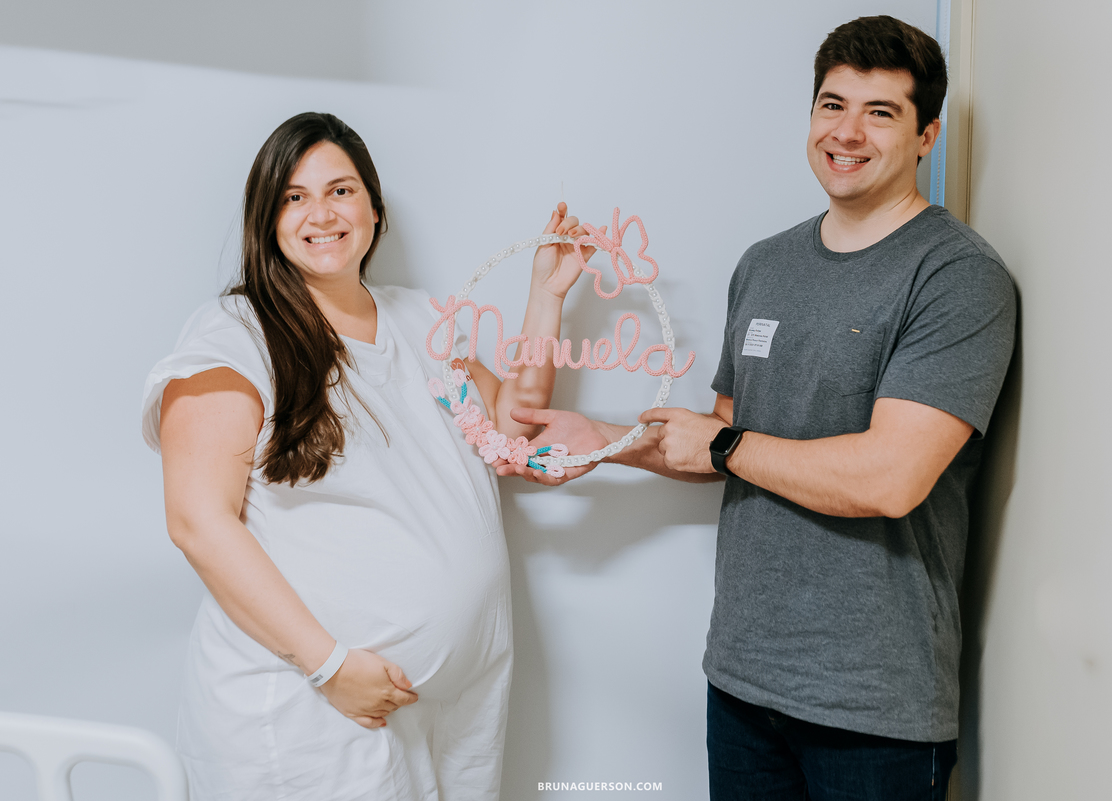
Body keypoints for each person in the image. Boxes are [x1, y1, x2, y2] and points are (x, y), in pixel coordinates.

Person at [498, 16, 1017, 801]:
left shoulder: (957, 276)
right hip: (741, 683)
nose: (847, 132)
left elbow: (889, 478)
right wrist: (604, 439)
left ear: (926, 135)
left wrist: (723, 444)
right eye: (831, 105)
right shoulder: (766, 264)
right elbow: (724, 437)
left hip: (874, 706)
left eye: (880, 112)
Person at [141, 112, 600, 800]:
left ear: (375, 210)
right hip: (312, 715)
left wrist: (546, 295)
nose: (320, 213)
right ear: (267, 218)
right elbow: (198, 522)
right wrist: (329, 666)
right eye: (294, 197)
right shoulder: (234, 334)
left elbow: (512, 422)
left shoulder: (421, 319)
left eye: (341, 190)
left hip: (447, 715)